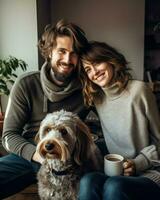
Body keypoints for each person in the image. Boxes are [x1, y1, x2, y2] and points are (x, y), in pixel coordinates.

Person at [0, 19, 90, 199]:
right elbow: (9, 136)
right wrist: (37, 155)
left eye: (73, 54)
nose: (67, 59)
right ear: (49, 52)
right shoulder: (26, 84)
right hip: (30, 153)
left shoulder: (87, 88)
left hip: (70, 157)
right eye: (61, 51)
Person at [78, 41, 160, 200]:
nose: (94, 72)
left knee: (114, 185)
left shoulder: (139, 91)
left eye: (97, 63)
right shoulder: (97, 99)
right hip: (117, 172)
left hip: (150, 172)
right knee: (88, 181)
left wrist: (137, 164)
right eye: (88, 69)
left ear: (110, 60)